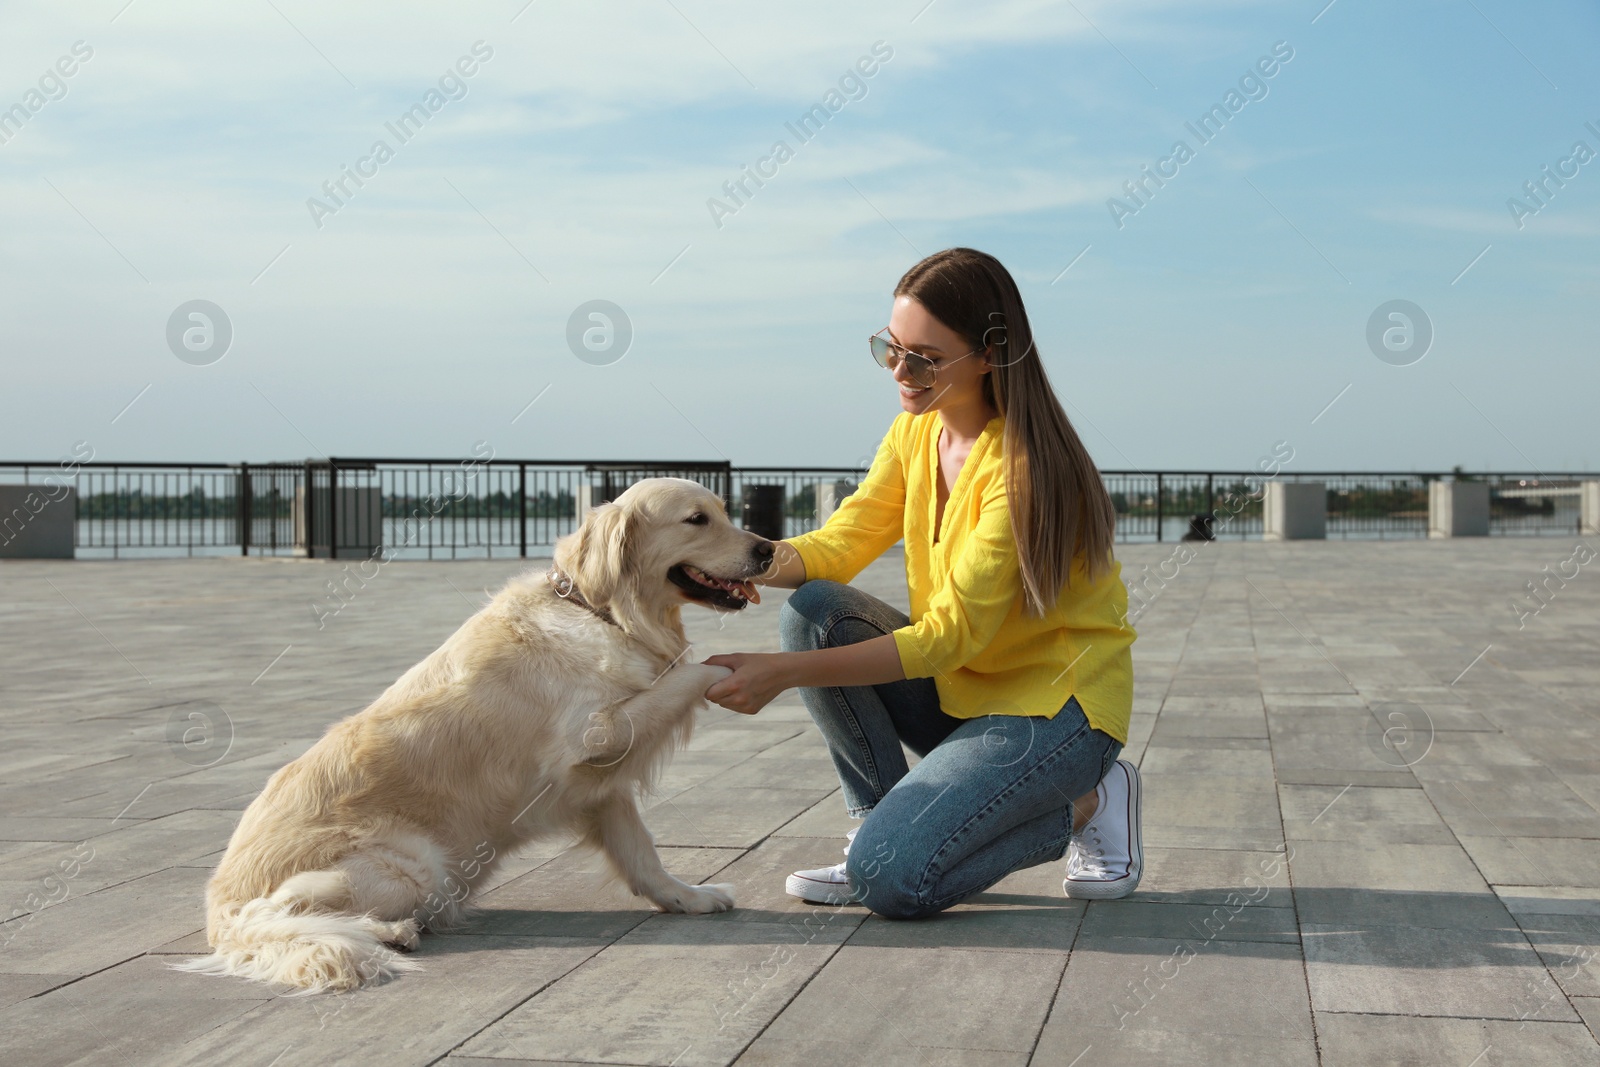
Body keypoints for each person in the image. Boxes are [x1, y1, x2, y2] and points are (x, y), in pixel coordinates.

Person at [704, 248, 1141, 918]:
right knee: (815, 610)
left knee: (895, 882)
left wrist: (783, 672)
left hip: (1054, 712)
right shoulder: (916, 434)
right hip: (960, 693)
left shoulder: (1023, 469)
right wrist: (747, 561)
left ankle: (1090, 800)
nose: (900, 373)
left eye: (924, 358)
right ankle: (874, 830)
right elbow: (845, 539)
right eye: (890, 349)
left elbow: (946, 637)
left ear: (992, 353)